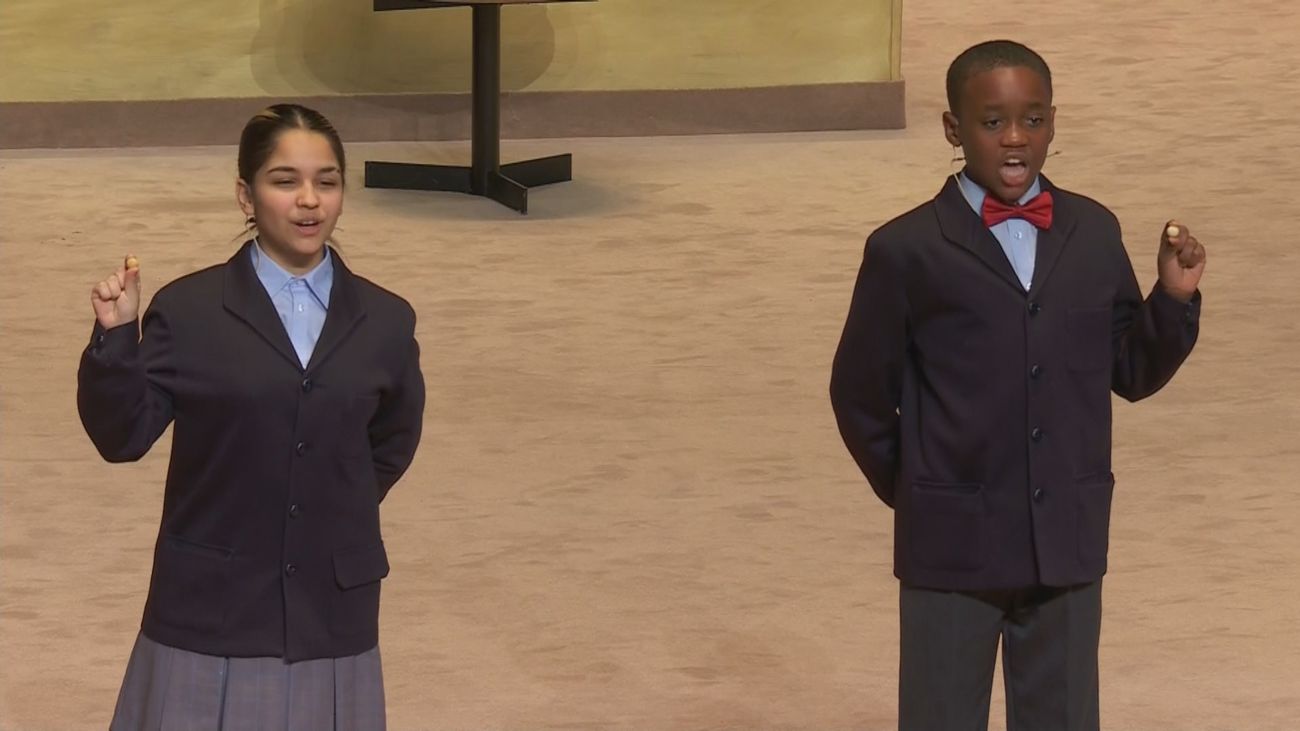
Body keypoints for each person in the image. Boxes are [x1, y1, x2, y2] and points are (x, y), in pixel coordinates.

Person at [829, 40, 1206, 731]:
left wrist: (1173, 301)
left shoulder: (1094, 233)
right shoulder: (905, 249)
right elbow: (858, 394)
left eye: (1032, 120)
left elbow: (1128, 369)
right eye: (992, 121)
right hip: (951, 549)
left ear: (1054, 123)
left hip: (1064, 540)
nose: (1014, 139)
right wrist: (920, 488)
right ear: (952, 129)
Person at [78, 103, 425, 730]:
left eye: (327, 181)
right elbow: (122, 435)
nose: (309, 201)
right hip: (210, 605)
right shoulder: (188, 309)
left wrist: (329, 500)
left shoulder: (388, 321)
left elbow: (391, 441)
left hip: (331, 607)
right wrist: (116, 340)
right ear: (246, 194)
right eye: (284, 180)